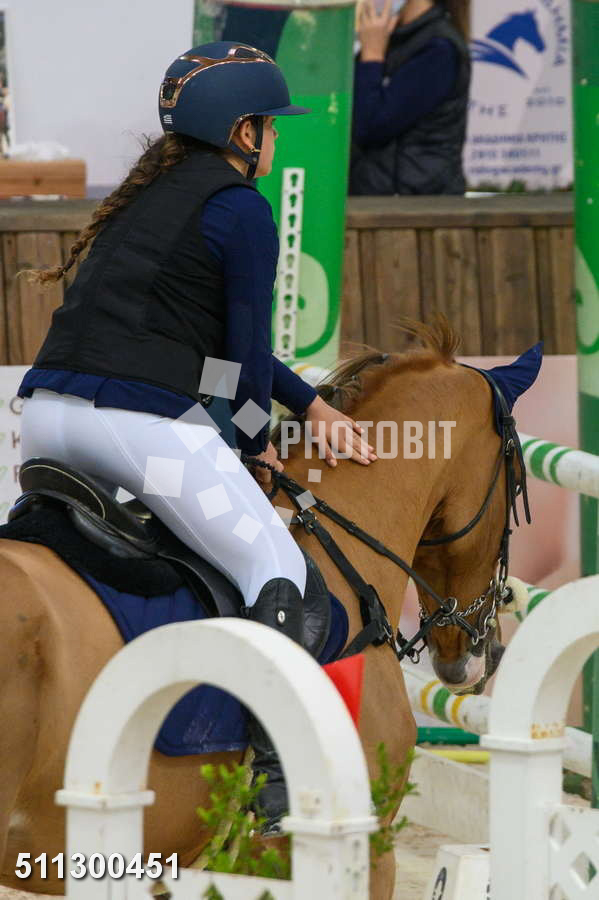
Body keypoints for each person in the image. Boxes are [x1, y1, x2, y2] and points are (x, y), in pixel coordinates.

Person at [17, 41, 376, 830]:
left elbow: (213, 349)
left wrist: (308, 406)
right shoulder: (241, 207)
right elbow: (238, 360)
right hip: (134, 428)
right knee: (276, 565)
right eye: (271, 126)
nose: (274, 140)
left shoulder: (144, 198)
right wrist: (253, 443)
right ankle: (279, 777)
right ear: (243, 132)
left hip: (43, 418)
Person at [349, 0, 471, 195]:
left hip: (415, 200)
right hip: (372, 190)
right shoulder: (389, 35)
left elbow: (371, 126)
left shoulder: (439, 48)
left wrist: (371, 55)